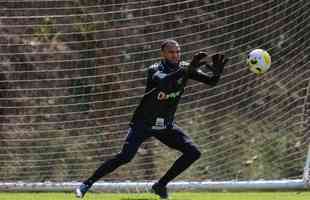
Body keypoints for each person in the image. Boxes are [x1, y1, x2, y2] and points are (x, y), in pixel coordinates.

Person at [75, 39, 228, 199]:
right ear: (163, 54)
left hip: (165, 126)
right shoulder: (155, 69)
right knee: (125, 157)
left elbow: (211, 82)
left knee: (193, 153)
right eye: (171, 52)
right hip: (143, 123)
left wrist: (217, 72)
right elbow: (164, 82)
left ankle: (160, 185)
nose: (175, 55)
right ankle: (87, 184)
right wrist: (188, 69)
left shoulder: (184, 68)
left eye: (177, 52)